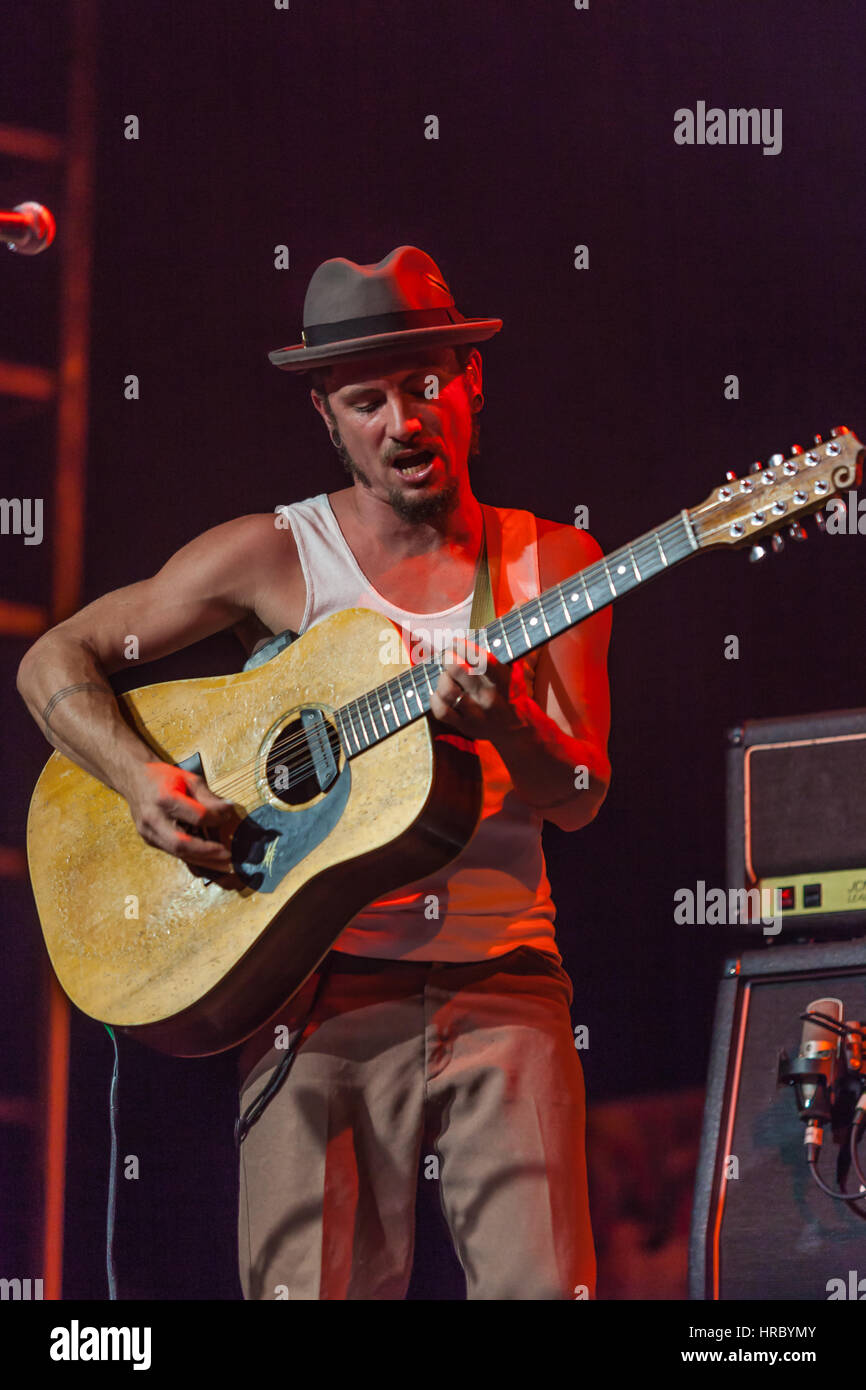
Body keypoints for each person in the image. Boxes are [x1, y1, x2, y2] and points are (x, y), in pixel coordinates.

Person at [17, 244, 612, 1300]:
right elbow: (52, 661)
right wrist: (145, 785)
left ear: (469, 384)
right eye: (366, 398)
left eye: (424, 386)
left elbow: (578, 797)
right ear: (326, 419)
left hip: (505, 986)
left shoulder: (551, 566)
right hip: (315, 988)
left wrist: (513, 722)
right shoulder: (275, 555)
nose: (402, 421)